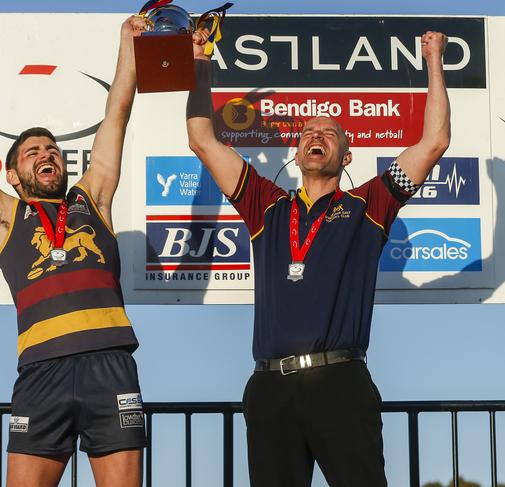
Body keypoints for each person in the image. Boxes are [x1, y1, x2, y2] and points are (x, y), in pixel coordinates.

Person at [186, 30, 450, 486]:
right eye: (308, 131)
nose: (316, 136)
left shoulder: (370, 205)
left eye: (329, 133)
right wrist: (199, 62)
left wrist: (434, 61)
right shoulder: (265, 204)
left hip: (340, 382)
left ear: (346, 155)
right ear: (296, 150)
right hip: (270, 387)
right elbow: (202, 140)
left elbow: (434, 143)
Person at [0, 16, 148, 487]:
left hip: (109, 365)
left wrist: (128, 45)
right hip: (40, 374)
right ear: (12, 174)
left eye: (51, 149)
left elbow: (116, 114)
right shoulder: (5, 218)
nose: (46, 154)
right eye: (32, 152)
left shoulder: (93, 200)